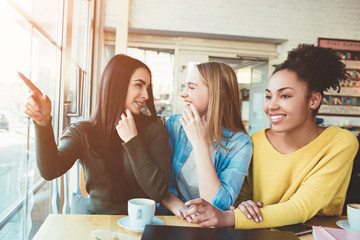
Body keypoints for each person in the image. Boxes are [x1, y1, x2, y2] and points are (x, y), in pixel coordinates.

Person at [183, 44, 359, 228]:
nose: (271, 106)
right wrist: (242, 206)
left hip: (317, 233)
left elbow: (302, 207)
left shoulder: (340, 142)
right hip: (263, 232)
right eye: (268, 96)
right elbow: (240, 198)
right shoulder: (256, 141)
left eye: (284, 96)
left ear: (314, 100)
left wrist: (230, 218)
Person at [22, 54, 170, 214]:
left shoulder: (154, 128)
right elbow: (50, 171)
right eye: (139, 85)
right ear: (117, 85)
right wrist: (43, 123)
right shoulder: (82, 132)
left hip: (141, 226)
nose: (146, 95)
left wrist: (132, 140)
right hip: (96, 227)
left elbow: (159, 192)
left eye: (147, 87)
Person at [161, 61, 252, 220]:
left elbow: (217, 206)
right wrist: (175, 203)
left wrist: (199, 143)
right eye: (185, 86)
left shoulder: (240, 144)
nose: (183, 93)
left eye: (192, 87)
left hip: (210, 228)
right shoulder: (174, 125)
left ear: (218, 92)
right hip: (171, 218)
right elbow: (157, 179)